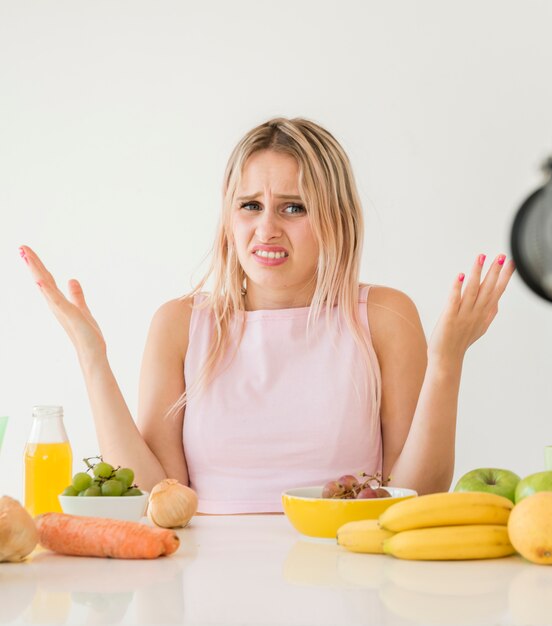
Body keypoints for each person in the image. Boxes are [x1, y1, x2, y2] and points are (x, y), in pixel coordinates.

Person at [20, 117, 515, 514]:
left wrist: (447, 359)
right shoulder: (179, 324)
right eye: (250, 205)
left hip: (348, 579)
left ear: (335, 218)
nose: (267, 229)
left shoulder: (383, 316)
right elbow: (157, 497)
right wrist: (92, 357)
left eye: (294, 207)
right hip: (202, 585)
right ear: (228, 218)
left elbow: (416, 498)